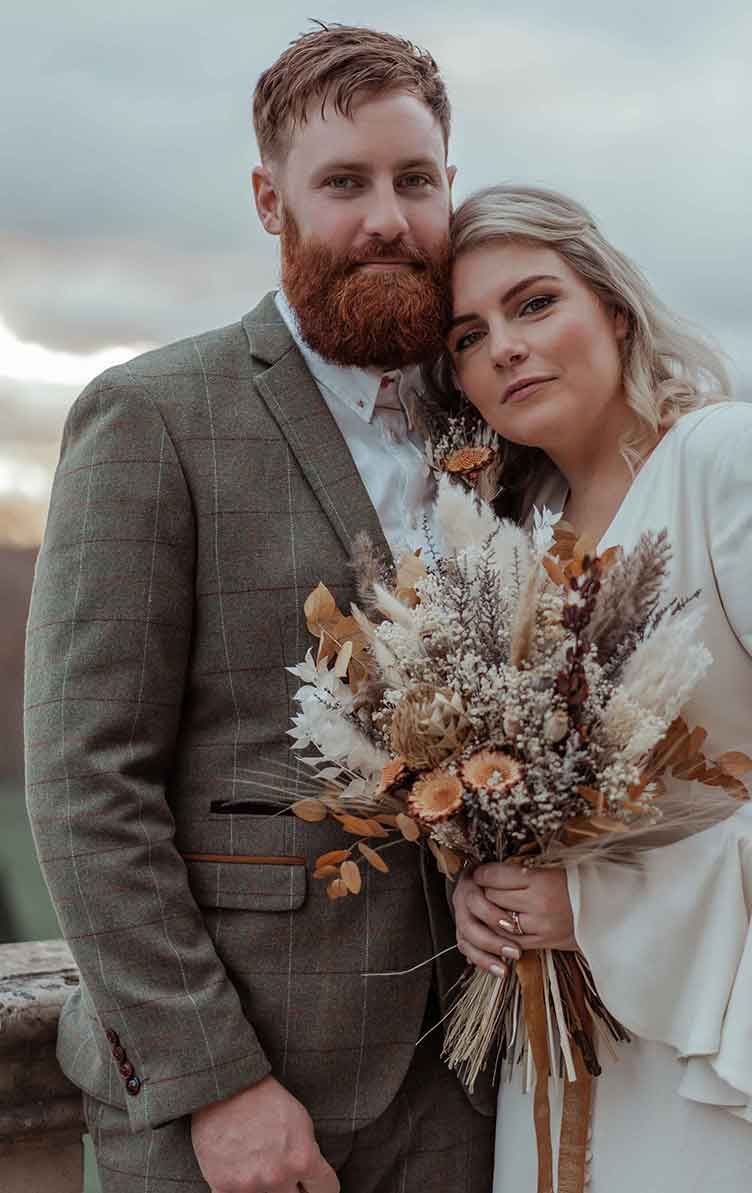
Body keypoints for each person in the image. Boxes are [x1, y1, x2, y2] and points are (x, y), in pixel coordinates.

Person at [24, 26, 495, 1193]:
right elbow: (89, 779)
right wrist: (215, 1082)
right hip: (233, 1106)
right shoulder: (152, 417)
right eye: (343, 183)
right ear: (267, 199)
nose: (386, 217)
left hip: (475, 1088)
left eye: (415, 179)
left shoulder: (496, 419)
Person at [447, 185, 752, 1192]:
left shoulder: (730, 456)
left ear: (613, 310)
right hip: (562, 1036)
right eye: (467, 335)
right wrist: (484, 889)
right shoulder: (512, 550)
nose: (504, 346)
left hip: (740, 1024)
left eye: (534, 303)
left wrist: (602, 906)